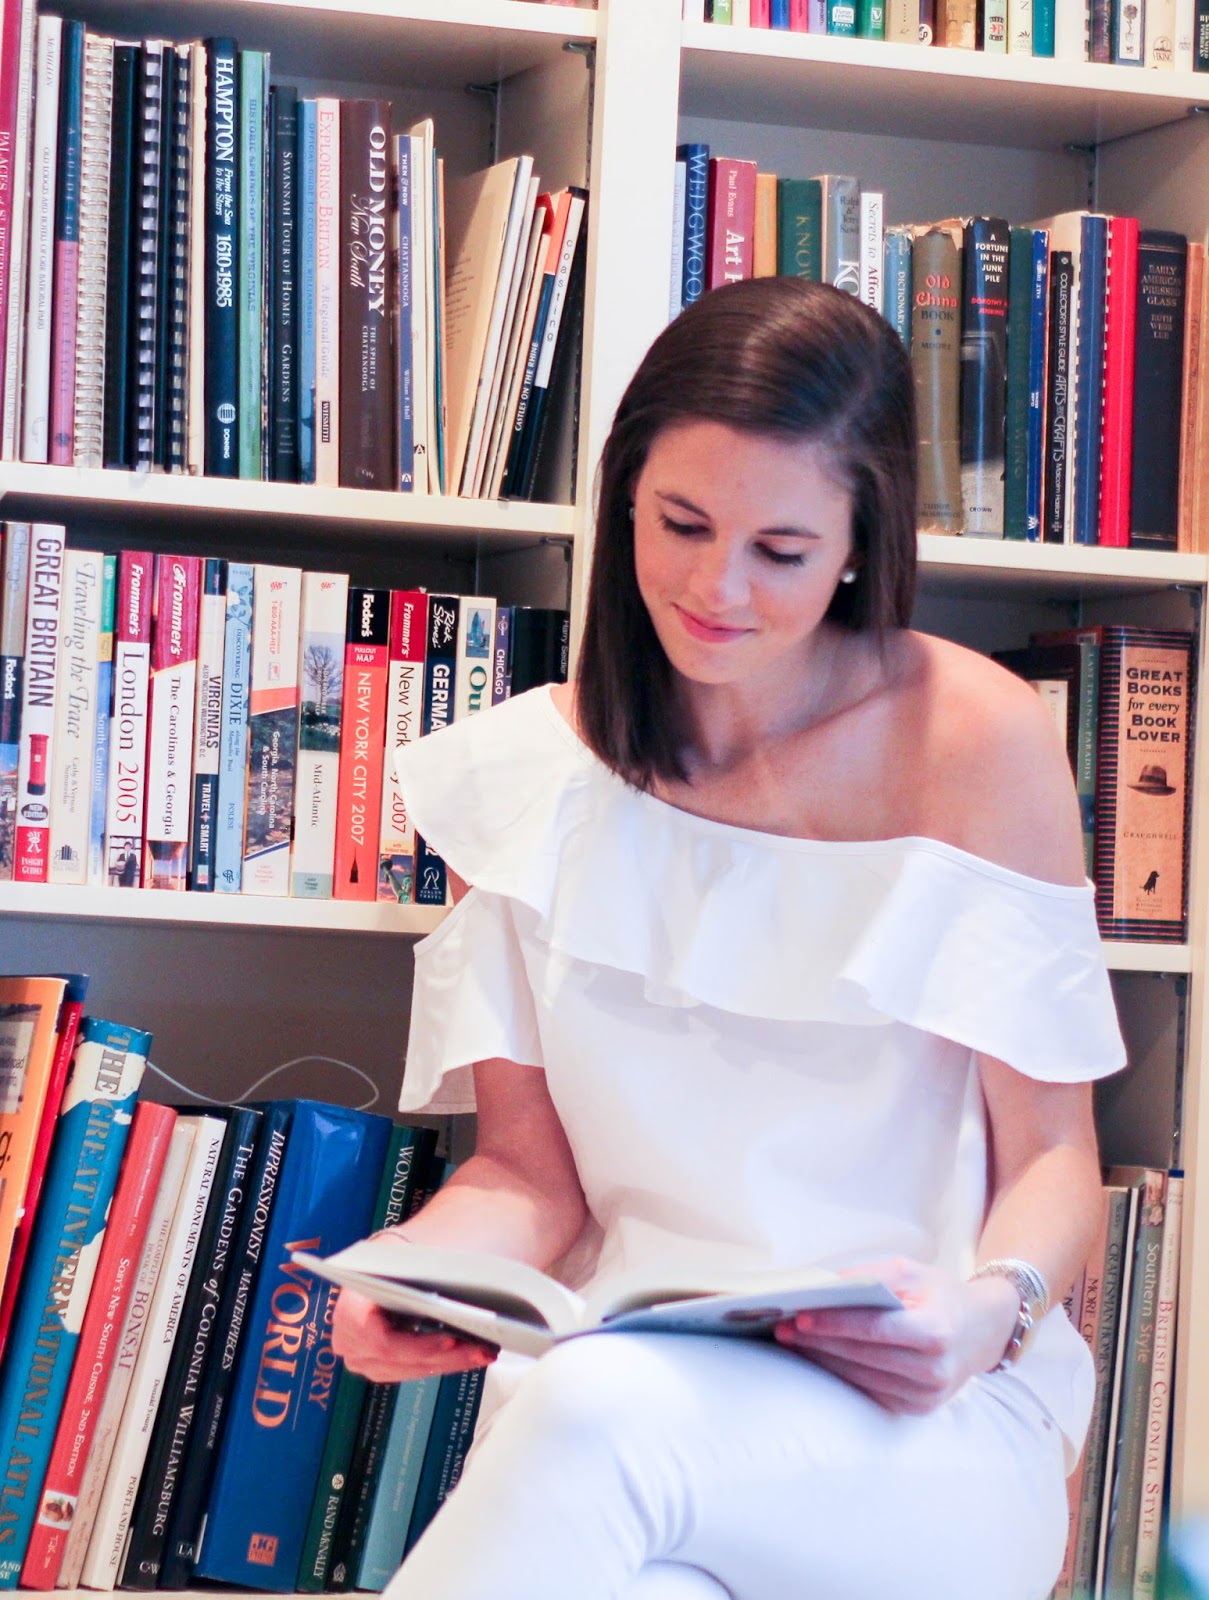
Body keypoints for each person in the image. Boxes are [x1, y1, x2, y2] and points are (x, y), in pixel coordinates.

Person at [331, 277, 1126, 1600]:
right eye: (682, 525)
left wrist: (987, 1311)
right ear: (624, 500)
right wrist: (409, 1279)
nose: (717, 588)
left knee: (592, 1413)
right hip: (622, 1406)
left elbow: (1053, 1156)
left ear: (860, 544)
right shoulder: (525, 774)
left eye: (782, 551)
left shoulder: (974, 740)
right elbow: (528, 1180)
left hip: (924, 1416)